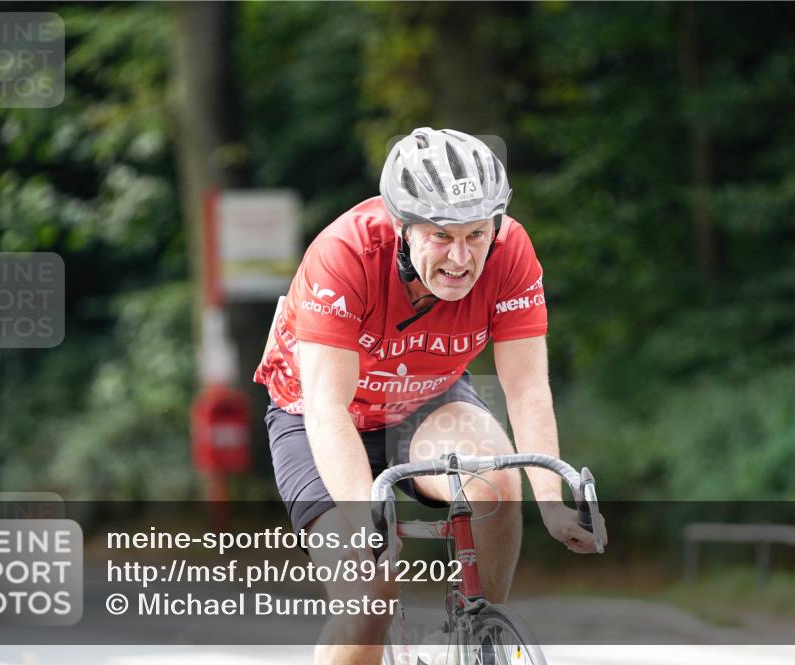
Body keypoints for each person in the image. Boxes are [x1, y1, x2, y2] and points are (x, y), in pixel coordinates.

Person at [254, 127, 606, 665]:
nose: (461, 258)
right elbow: (327, 408)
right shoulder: (345, 253)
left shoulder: (511, 252)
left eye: (476, 235)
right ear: (402, 227)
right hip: (317, 416)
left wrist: (553, 505)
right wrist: (364, 524)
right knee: (369, 597)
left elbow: (527, 387)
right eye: (441, 236)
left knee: (496, 480)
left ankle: (480, 636)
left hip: (426, 399)